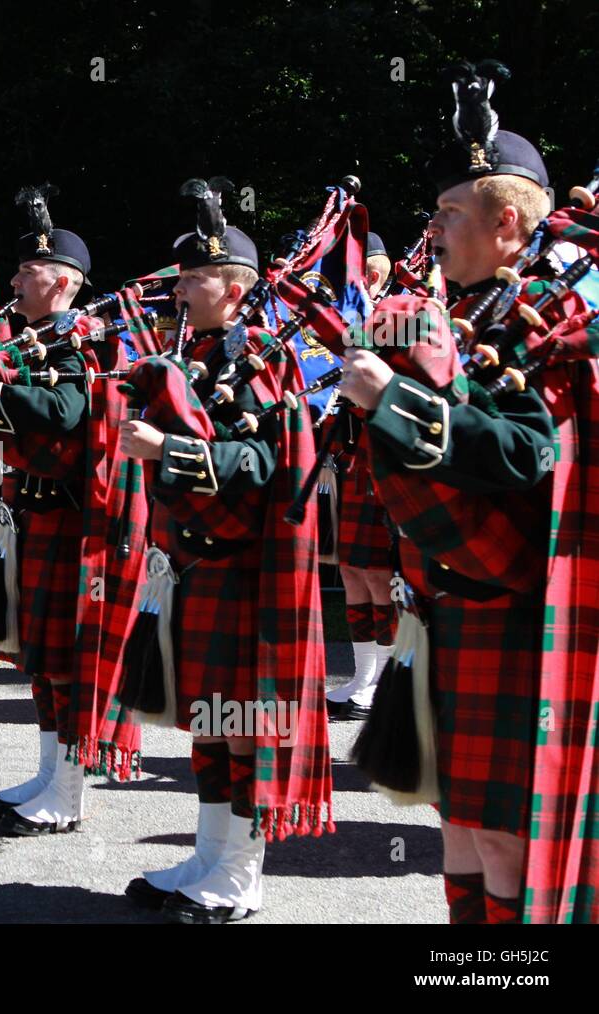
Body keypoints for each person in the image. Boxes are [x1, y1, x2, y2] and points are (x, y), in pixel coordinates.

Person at [339, 60, 598, 923]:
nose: (435, 227)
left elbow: (527, 455)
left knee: (504, 840)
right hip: (443, 601)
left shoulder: (553, 326)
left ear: (510, 223)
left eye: (452, 212)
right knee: (456, 827)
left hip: (512, 604)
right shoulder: (464, 315)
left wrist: (397, 399)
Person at [118, 183, 331, 922]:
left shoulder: (264, 360)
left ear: (235, 290)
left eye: (195, 277)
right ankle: (209, 856)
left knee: (241, 726)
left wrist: (169, 450)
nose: (179, 287)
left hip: (241, 570)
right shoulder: (190, 349)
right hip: (191, 565)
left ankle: (240, 878)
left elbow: (267, 463)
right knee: (210, 724)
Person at [0, 188, 147, 832]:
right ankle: (47, 773)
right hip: (30, 518)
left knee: (66, 660)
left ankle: (70, 792)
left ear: (62, 283)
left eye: (27, 271)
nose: (12, 279)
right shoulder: (32, 343)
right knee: (38, 658)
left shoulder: (84, 343)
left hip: (72, 523)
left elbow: (65, 414)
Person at [324, 232, 399, 719]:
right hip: (351, 458)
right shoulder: (347, 323)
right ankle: (360, 675)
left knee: (378, 575)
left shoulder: (398, 320)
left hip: (382, 462)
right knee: (351, 571)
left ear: (368, 277)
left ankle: (385, 684)